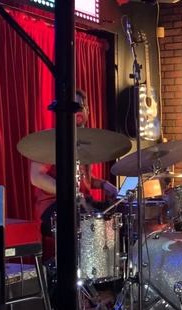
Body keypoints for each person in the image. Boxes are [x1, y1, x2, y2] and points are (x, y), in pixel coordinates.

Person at [31, 89, 117, 260]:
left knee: (118, 211)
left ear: (87, 111)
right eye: (73, 106)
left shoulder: (83, 142)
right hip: (55, 205)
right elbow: (37, 177)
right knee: (84, 219)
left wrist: (104, 184)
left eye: (81, 106)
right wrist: (70, 193)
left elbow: (85, 180)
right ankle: (77, 272)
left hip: (82, 202)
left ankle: (110, 271)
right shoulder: (52, 140)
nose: (77, 110)